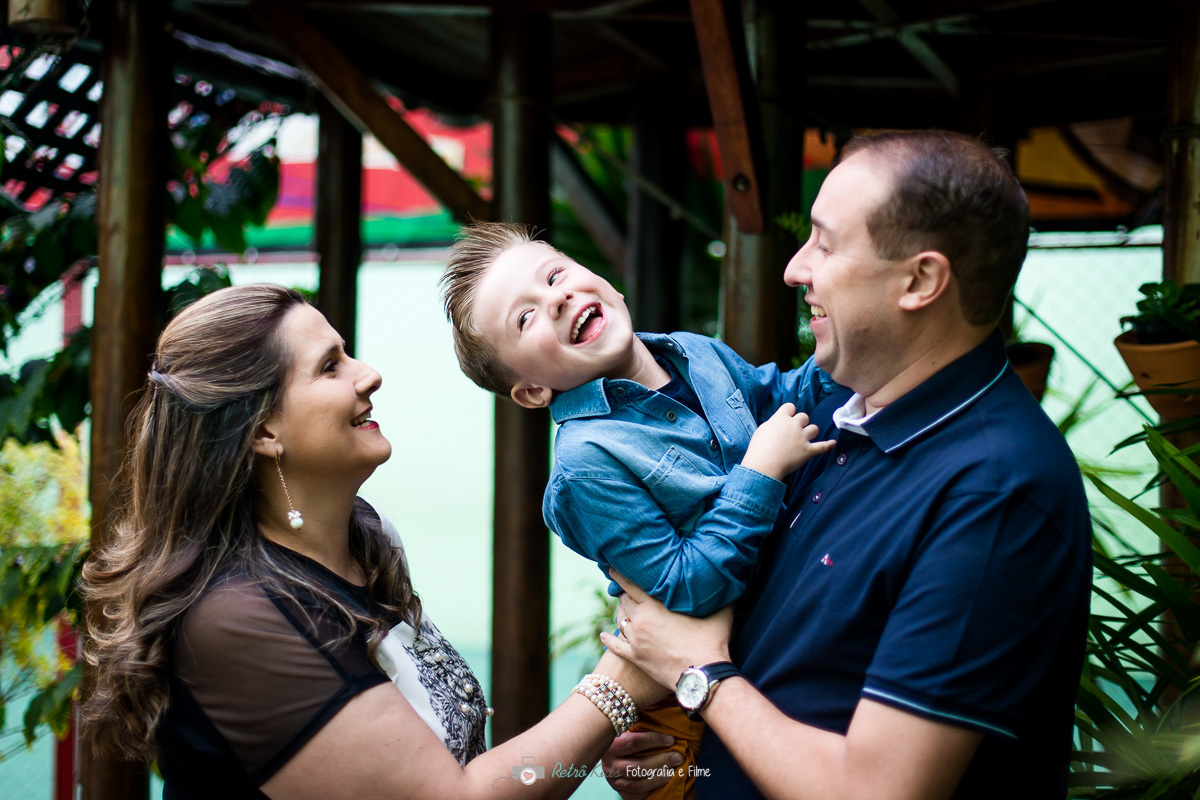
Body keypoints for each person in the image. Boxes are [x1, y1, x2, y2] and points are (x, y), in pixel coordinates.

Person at [601, 130, 1092, 800]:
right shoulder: (827, 417)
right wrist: (691, 758)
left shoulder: (996, 488)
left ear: (920, 279)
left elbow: (877, 790)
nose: (794, 268)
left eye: (825, 244)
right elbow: (793, 679)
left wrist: (697, 675)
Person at [80, 283, 665, 800]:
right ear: (262, 430)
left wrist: (588, 750)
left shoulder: (365, 538)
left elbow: (439, 759)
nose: (369, 374)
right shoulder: (233, 618)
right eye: (330, 366)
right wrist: (629, 676)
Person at [439, 221, 839, 798]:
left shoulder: (692, 351)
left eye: (554, 275)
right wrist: (760, 472)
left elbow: (777, 395)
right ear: (530, 390)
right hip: (691, 710)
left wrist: (850, 349)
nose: (555, 299)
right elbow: (683, 591)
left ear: (606, 284)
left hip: (783, 649)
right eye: (524, 318)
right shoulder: (585, 463)